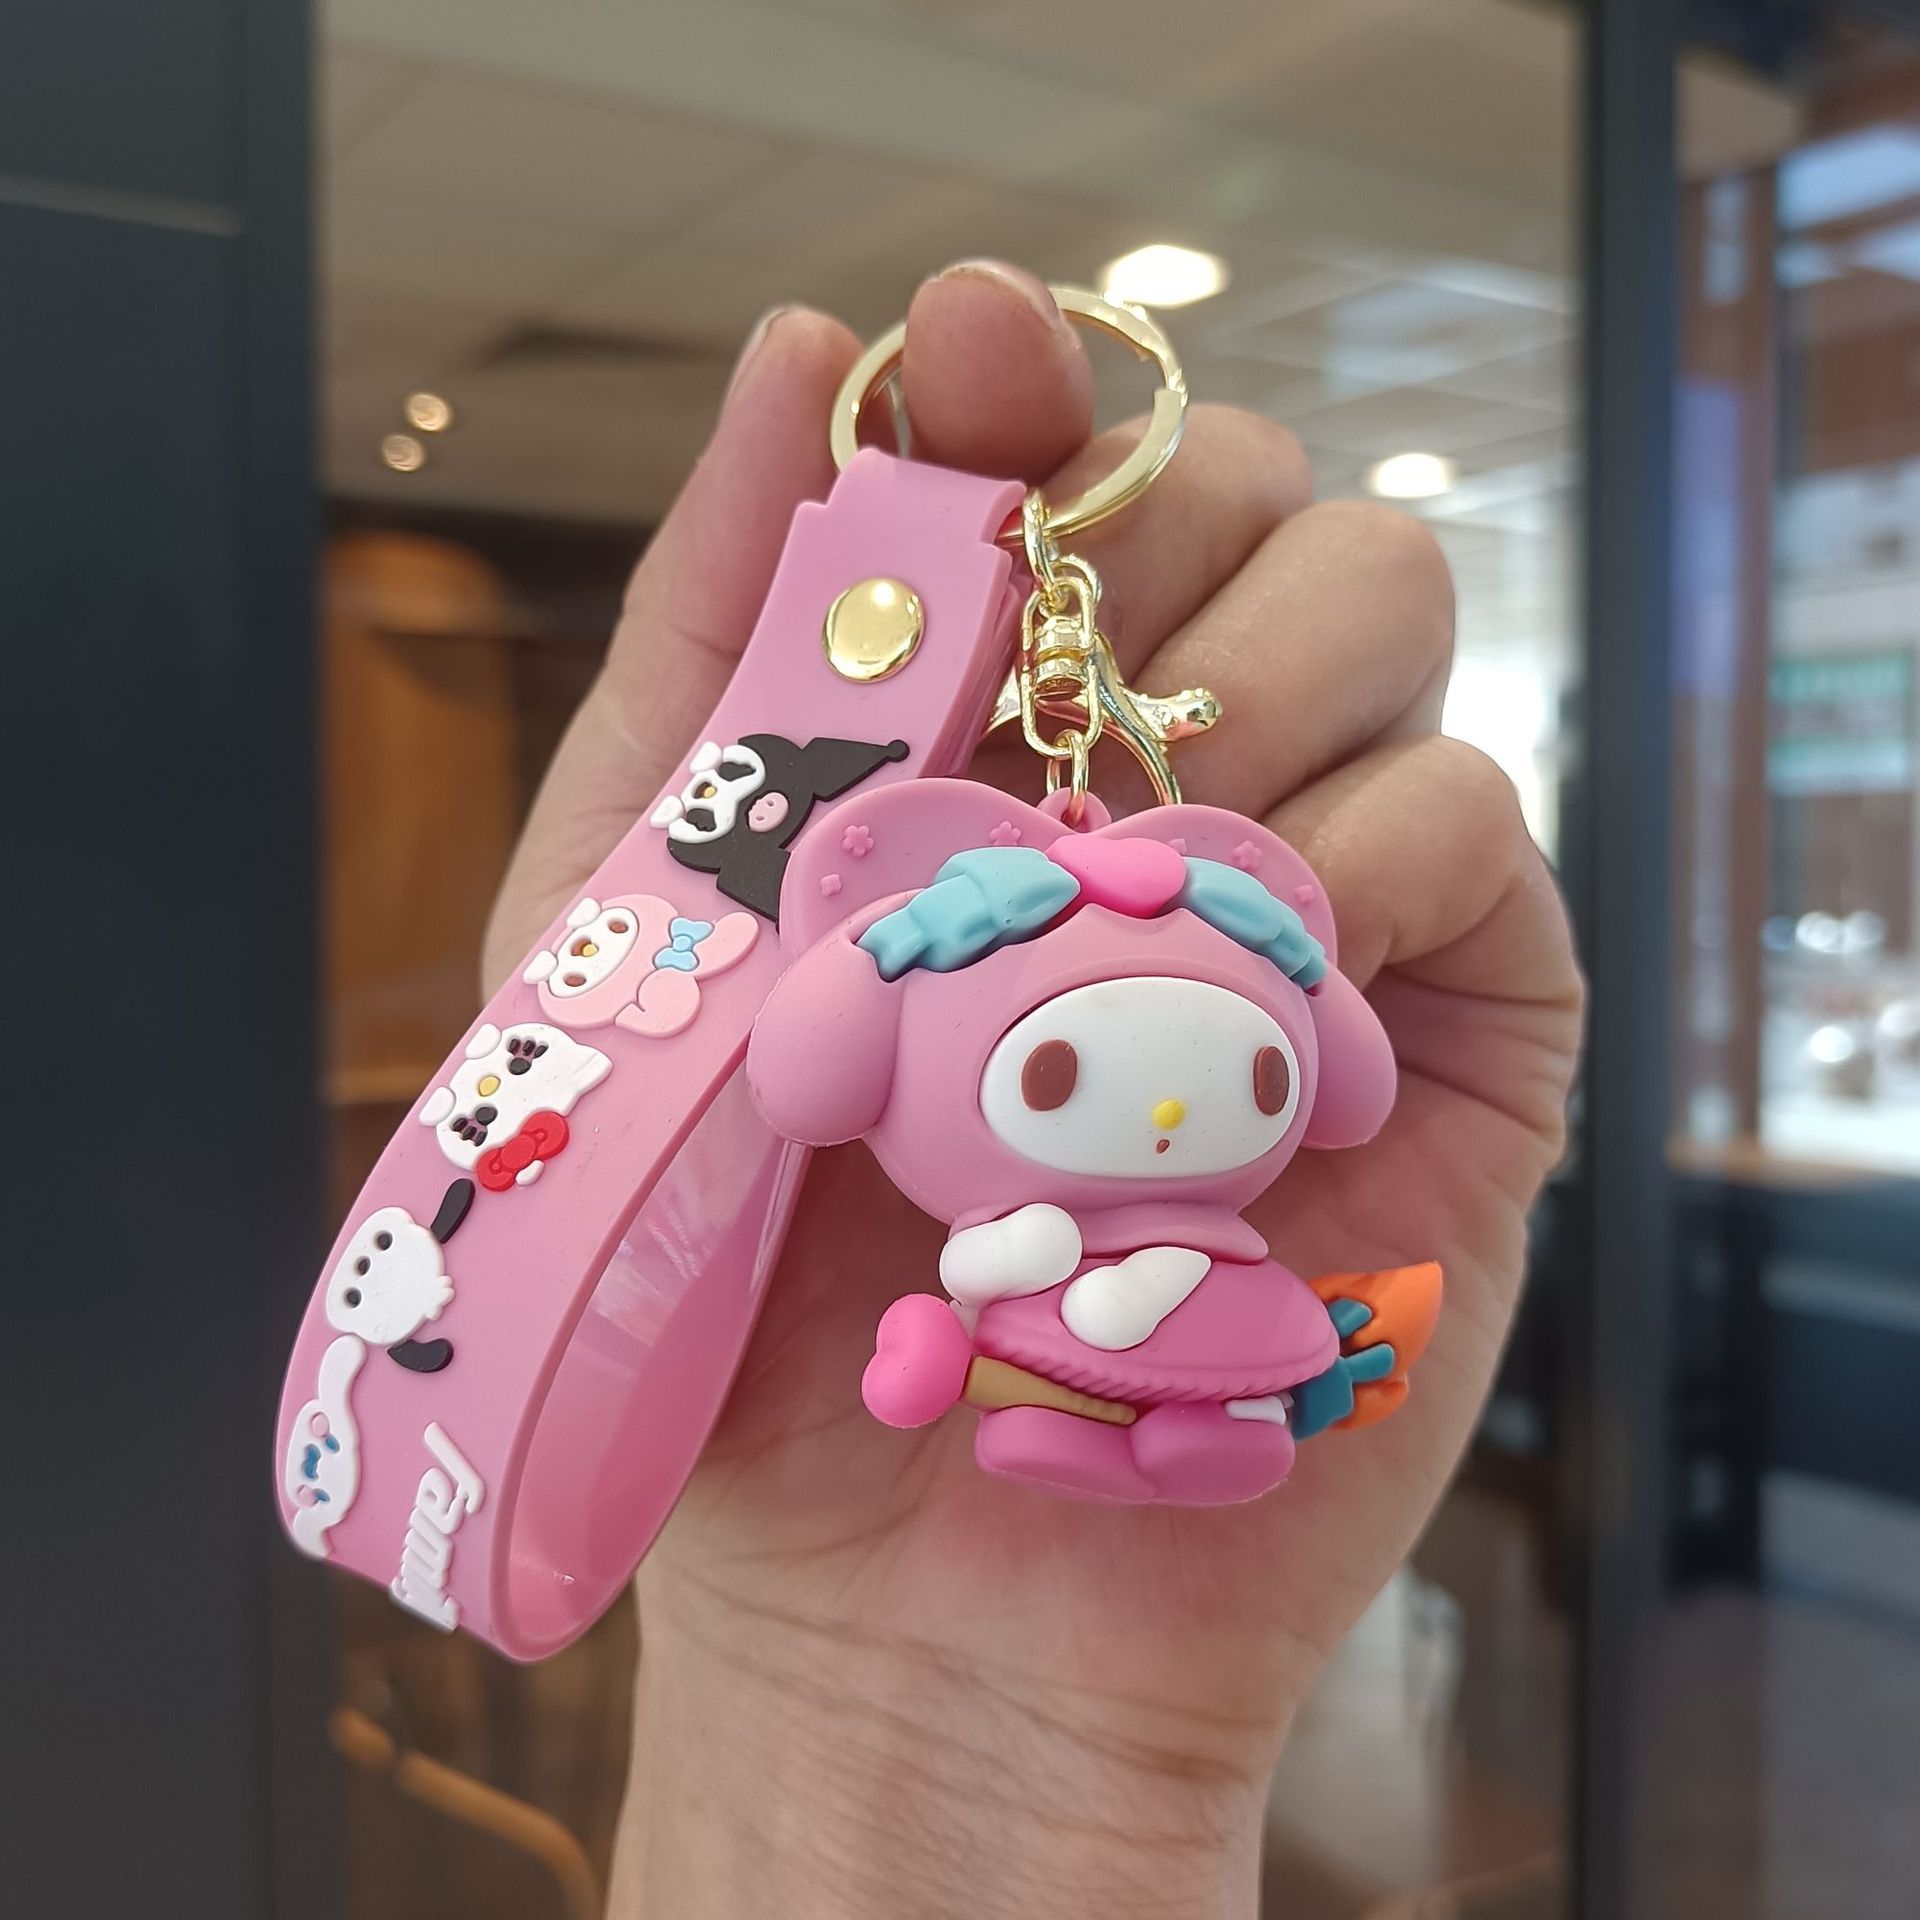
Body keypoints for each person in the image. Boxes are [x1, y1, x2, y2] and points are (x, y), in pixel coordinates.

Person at [483, 260, 1583, 1919]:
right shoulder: (951, 1097)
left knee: (1227, 1365)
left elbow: (1329, 1079)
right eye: (1057, 1069)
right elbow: (836, 1088)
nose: (1167, 1122)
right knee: (1035, 1345)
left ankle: (1192, 1431)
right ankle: (1072, 1416)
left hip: (1214, 1294)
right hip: (1054, 1312)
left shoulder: (1255, 1073)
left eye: (1251, 1072)